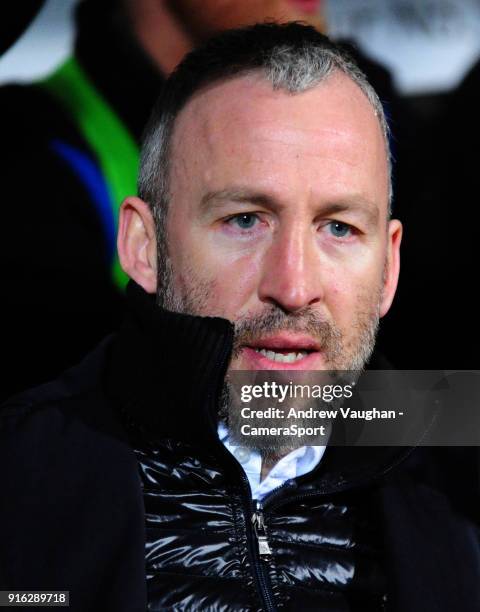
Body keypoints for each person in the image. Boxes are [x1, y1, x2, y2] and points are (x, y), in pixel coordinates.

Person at [2, 22, 477, 612]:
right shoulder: (19, 484)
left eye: (339, 228)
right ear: (144, 247)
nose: (295, 286)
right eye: (246, 220)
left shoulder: (456, 490)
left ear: (389, 267)